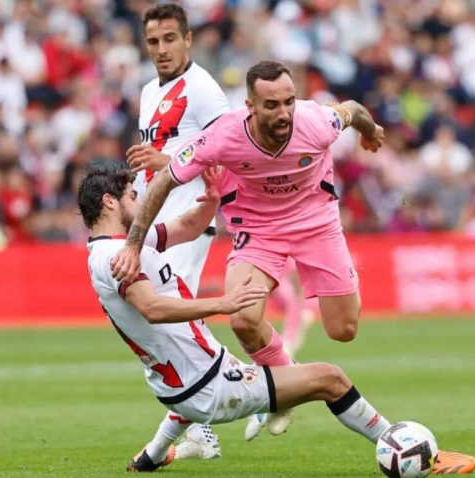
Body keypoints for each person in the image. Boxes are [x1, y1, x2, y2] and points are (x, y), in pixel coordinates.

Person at [78, 166, 475, 474]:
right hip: (209, 386)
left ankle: (151, 457)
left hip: (184, 382)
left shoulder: (126, 244)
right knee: (331, 379)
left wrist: (211, 199)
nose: (142, 200)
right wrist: (226, 302)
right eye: (134, 195)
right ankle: (409, 450)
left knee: (196, 397)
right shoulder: (114, 259)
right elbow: (153, 308)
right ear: (110, 202)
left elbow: (185, 227)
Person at [111, 59, 384, 438]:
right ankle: (287, 383)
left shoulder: (317, 121)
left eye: (289, 101)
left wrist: (369, 132)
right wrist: (133, 244)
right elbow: (163, 183)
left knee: (344, 330)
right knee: (242, 317)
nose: (285, 112)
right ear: (251, 107)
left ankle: (285, 383)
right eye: (272, 105)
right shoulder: (223, 136)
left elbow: (352, 110)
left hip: (317, 224)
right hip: (259, 230)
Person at [127, 3, 231, 458]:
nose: (162, 49)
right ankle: (206, 421)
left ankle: (263, 386)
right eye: (154, 41)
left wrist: (168, 163)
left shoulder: (205, 90)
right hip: (154, 224)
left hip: (187, 224)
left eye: (170, 39)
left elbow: (228, 158)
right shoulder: (150, 90)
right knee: (175, 324)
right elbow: (151, 166)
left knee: (172, 322)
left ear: (188, 39)